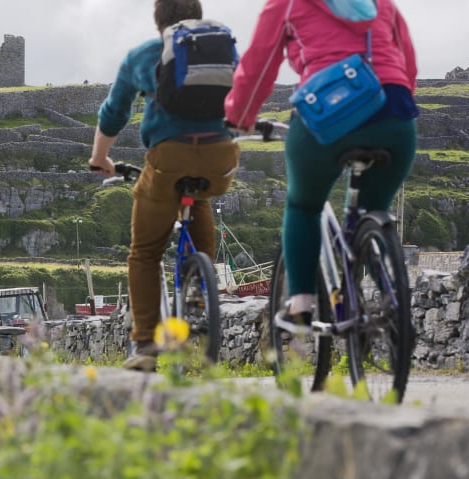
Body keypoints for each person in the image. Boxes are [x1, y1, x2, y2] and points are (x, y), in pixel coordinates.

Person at [223, 0, 418, 332]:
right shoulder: (380, 2)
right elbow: (407, 63)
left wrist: (240, 117)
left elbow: (259, 63)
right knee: (374, 208)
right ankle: (393, 298)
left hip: (327, 112)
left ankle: (301, 301)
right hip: (393, 112)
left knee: (303, 204)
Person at [89, 0, 242, 372]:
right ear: (198, 14)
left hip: (168, 157)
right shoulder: (221, 48)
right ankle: (198, 286)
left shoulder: (146, 54)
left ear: (159, 20)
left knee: (144, 252)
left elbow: (114, 112)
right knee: (200, 200)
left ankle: (144, 344)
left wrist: (101, 158)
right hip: (221, 156)